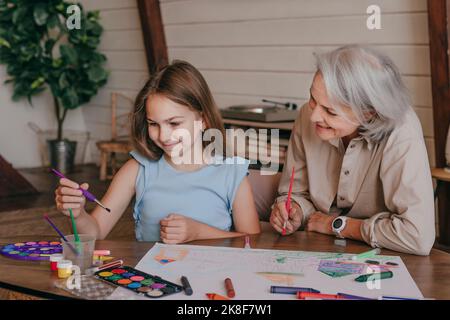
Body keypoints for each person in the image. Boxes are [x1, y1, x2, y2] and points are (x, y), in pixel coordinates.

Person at [55, 60, 261, 243]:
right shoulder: (136, 169)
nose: (163, 136)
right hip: (151, 283)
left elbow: (253, 240)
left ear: (203, 120)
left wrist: (199, 232)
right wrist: (78, 213)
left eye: (174, 123)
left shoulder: (232, 173)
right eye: (153, 124)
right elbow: (96, 232)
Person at [270, 45, 435, 255]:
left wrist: (337, 226)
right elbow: (296, 193)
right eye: (312, 99)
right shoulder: (306, 115)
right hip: (316, 247)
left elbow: (417, 236)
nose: (313, 117)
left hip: (380, 255)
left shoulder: (402, 132)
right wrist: (293, 209)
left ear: (368, 113)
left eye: (330, 111)